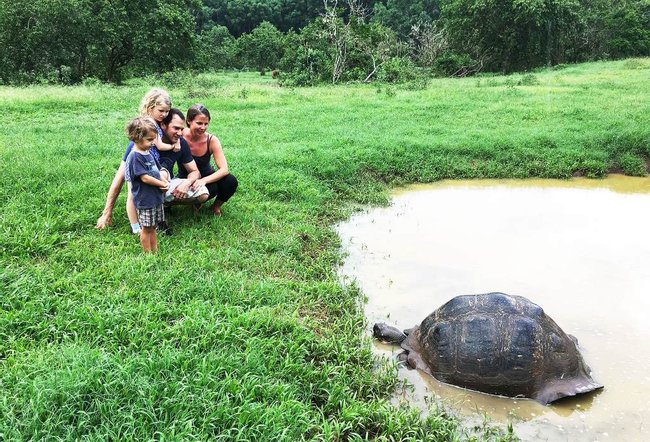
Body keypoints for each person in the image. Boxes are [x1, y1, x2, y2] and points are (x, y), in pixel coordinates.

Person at [97, 107, 209, 233]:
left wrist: (186, 183)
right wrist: (107, 213)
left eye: (182, 129)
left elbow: (195, 171)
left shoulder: (180, 143)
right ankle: (144, 220)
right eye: (176, 128)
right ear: (163, 125)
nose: (180, 133)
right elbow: (120, 179)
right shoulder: (140, 146)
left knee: (203, 193)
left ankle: (163, 207)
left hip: (164, 186)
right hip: (146, 190)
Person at [96, 88, 178, 233]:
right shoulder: (147, 125)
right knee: (132, 193)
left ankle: (153, 222)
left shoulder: (156, 123)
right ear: (150, 107)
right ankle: (134, 226)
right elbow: (118, 180)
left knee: (144, 192)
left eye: (166, 111)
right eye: (161, 110)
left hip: (149, 159)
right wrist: (106, 212)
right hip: (139, 157)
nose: (164, 114)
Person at [182, 104, 238, 216]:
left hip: (206, 177)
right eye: (199, 123)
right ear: (189, 121)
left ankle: (215, 206)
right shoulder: (179, 135)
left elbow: (224, 169)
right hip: (185, 177)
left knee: (230, 181)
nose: (203, 127)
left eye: (206, 124)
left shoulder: (212, 140)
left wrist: (204, 181)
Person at [124, 117, 169, 253]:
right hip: (145, 200)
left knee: (153, 227)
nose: (153, 143)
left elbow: (157, 169)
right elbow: (145, 178)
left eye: (154, 139)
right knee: (146, 228)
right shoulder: (135, 156)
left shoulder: (148, 153)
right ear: (137, 138)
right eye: (149, 140)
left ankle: (154, 251)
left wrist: (165, 181)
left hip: (155, 198)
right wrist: (161, 183)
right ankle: (147, 253)